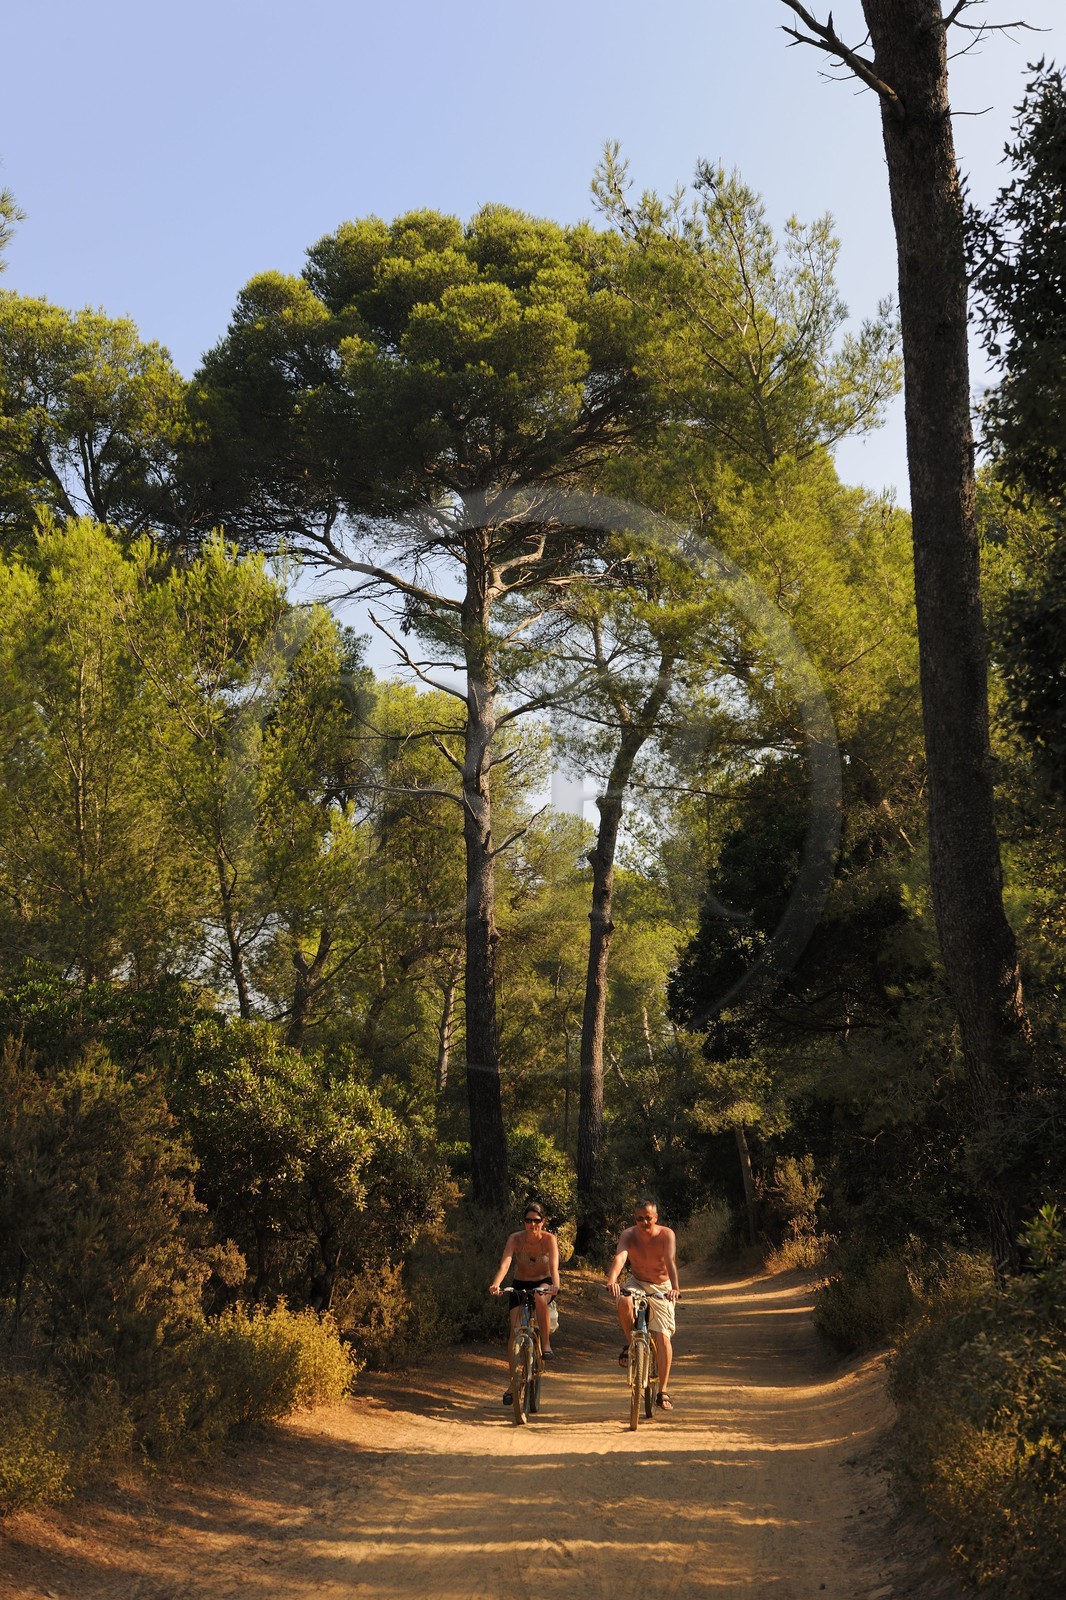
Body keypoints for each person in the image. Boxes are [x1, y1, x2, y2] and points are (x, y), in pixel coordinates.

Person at [605, 1198, 680, 1411]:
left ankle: (662, 1391)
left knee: (663, 1336)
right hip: (637, 1281)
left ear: (655, 1218)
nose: (644, 1222)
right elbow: (620, 1258)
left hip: (662, 1285)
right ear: (634, 1219)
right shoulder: (628, 1235)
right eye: (640, 1219)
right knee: (623, 1300)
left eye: (648, 1218)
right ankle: (631, 1344)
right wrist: (612, 1280)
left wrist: (674, 1287)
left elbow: (670, 1261)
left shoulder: (667, 1234)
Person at [489, 1200, 560, 1406]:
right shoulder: (515, 1239)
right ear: (524, 1222)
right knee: (515, 1331)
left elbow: (554, 1266)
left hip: (544, 1284)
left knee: (539, 1298)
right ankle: (513, 1383)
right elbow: (506, 1263)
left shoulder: (549, 1240)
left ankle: (545, 1344)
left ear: (543, 1221)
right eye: (528, 1220)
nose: (532, 1224)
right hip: (520, 1284)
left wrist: (555, 1285)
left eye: (536, 1220)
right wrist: (496, 1284)